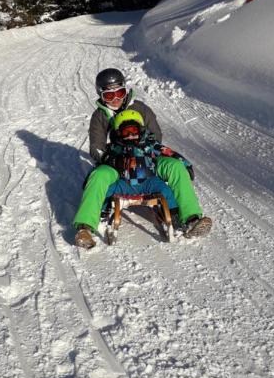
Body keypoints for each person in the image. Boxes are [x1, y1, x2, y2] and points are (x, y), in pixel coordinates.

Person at [74, 68, 212, 249]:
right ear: (101, 95)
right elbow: (96, 147)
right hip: (115, 160)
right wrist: (109, 157)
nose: (116, 99)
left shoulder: (140, 108)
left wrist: (143, 150)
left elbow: (156, 137)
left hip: (147, 156)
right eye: (109, 96)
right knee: (99, 175)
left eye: (119, 93)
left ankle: (191, 218)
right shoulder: (100, 116)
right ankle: (85, 226)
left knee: (174, 166)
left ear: (125, 89)